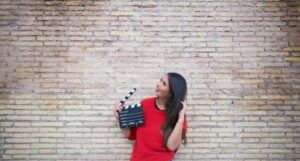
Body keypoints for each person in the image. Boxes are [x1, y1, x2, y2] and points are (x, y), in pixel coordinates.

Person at [113, 72, 188, 161]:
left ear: (171, 93)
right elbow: (131, 135)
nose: (158, 84)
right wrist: (119, 117)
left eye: (163, 84)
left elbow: (172, 146)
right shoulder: (145, 104)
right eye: (160, 80)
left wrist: (180, 118)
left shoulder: (178, 115)